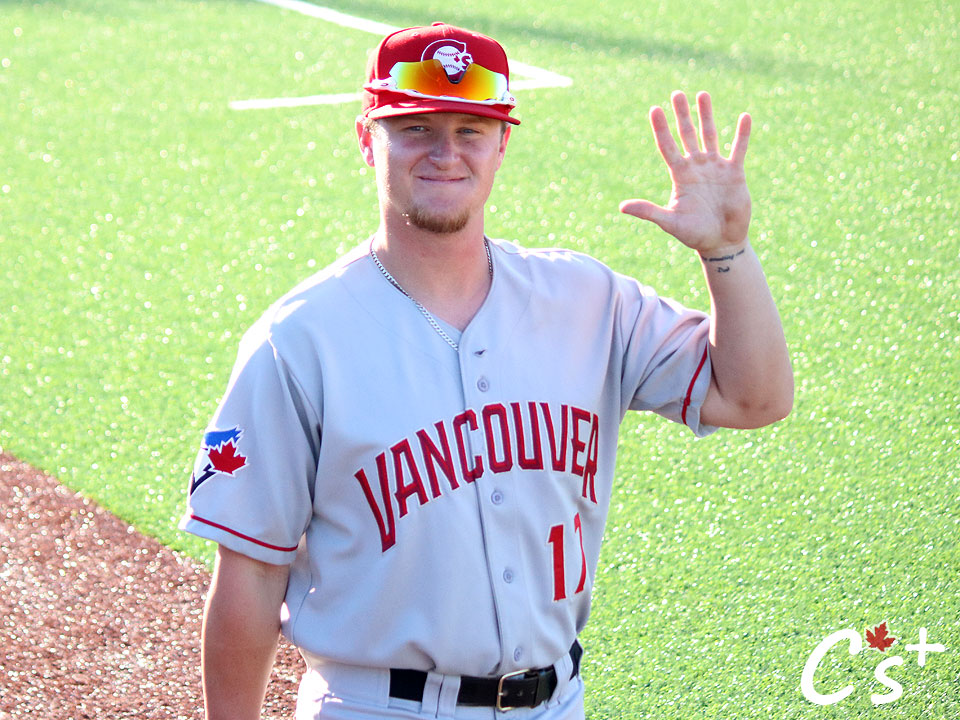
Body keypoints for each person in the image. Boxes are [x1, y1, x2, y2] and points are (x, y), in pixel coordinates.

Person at [179, 21, 793, 720]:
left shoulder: (588, 301)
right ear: (366, 139)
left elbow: (754, 397)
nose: (445, 153)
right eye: (415, 128)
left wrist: (728, 255)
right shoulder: (299, 341)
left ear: (503, 144)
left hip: (555, 703)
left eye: (471, 129)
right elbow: (252, 578)